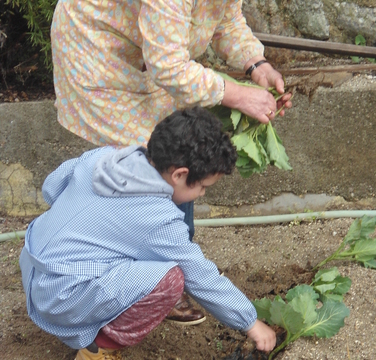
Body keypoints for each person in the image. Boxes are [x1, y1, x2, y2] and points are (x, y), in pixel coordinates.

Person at [51, 0, 293, 321]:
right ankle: (145, 280)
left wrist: (255, 64)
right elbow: (167, 66)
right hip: (97, 49)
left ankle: (161, 266)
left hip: (143, 58)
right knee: (154, 166)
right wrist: (237, 94)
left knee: (166, 160)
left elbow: (223, 18)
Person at [19, 107, 277, 360]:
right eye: (203, 187)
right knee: (171, 278)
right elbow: (201, 276)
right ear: (179, 175)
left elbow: (52, 187)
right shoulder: (159, 218)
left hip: (33, 266)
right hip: (60, 298)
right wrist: (250, 323)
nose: (203, 194)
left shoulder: (105, 157)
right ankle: (97, 350)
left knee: (127, 250)